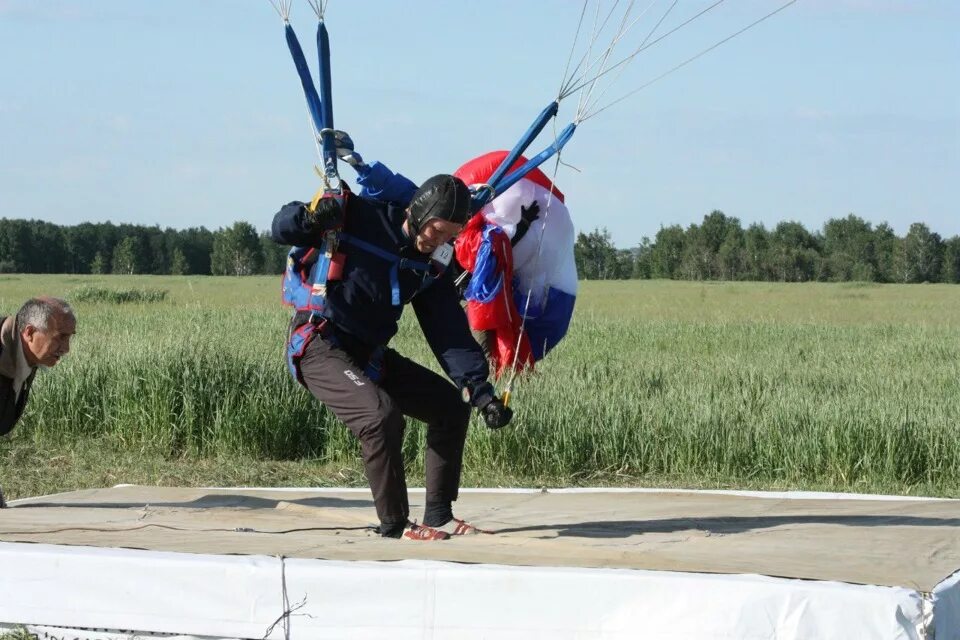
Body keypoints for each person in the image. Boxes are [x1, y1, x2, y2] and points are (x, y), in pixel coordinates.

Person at [271, 167, 513, 541]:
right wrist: (311, 217)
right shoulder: (361, 216)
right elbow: (281, 227)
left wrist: (480, 391)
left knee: (449, 407)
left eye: (449, 236)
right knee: (381, 415)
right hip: (318, 343)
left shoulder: (429, 265)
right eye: (435, 230)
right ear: (417, 214)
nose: (438, 241)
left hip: (368, 354)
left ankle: (438, 516)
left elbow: (448, 331)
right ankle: (395, 525)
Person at [0, 297, 77, 508]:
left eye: (70, 338)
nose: (66, 348)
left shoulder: (25, 353)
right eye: (60, 337)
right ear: (29, 332)